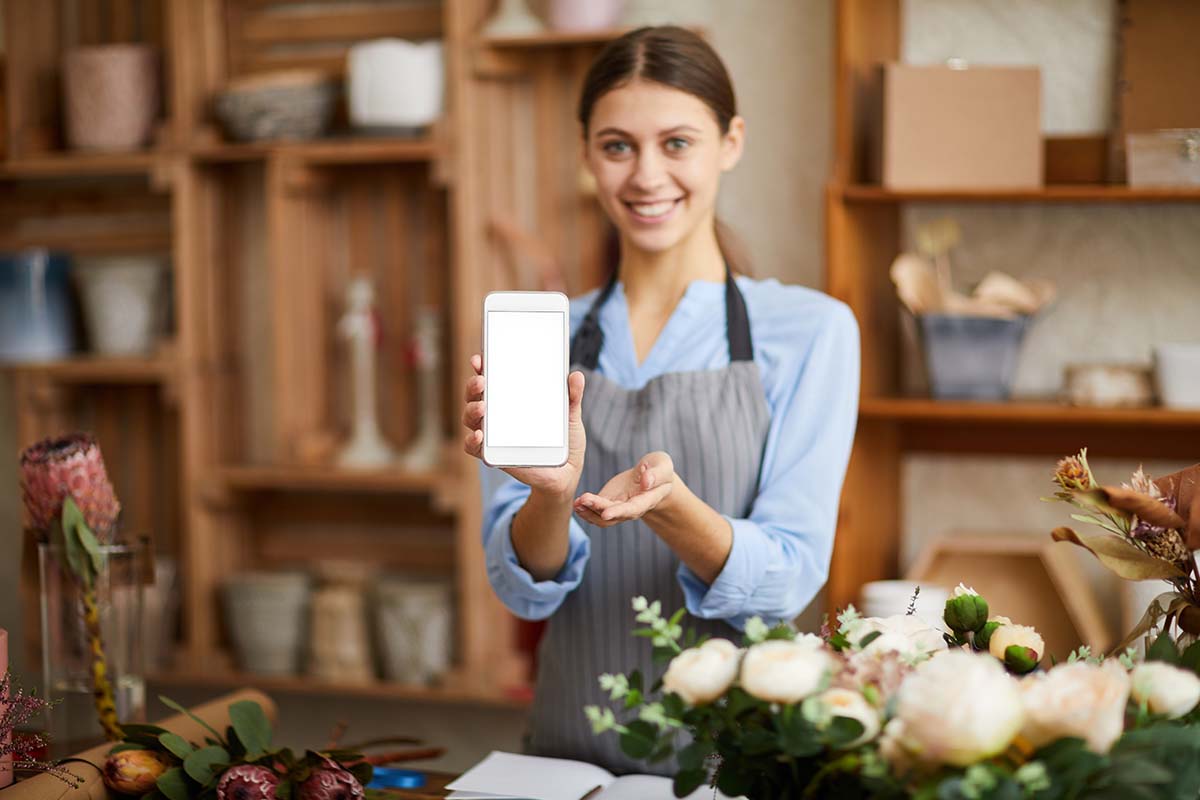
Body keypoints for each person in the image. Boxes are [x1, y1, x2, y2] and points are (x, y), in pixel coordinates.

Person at [461, 26, 860, 774]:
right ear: (587, 154)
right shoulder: (547, 336)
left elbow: (792, 576)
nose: (646, 175)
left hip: (737, 762)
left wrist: (673, 508)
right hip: (564, 757)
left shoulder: (810, 332)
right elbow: (522, 594)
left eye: (677, 143)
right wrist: (549, 496)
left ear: (729, 142)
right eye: (618, 146)